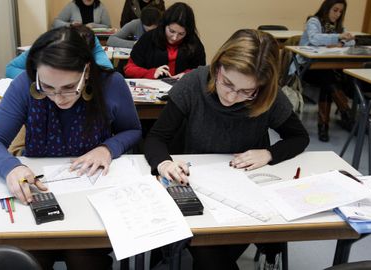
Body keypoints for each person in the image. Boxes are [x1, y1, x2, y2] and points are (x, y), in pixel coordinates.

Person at [0, 26, 141, 269]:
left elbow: (133, 130)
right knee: (29, 259)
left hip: (92, 192)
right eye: (48, 88)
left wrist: (107, 148)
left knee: (84, 257)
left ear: (87, 69)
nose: (58, 98)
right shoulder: (24, 84)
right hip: (39, 191)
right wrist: (11, 168)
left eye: (68, 88)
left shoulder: (111, 83)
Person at [144, 29, 310, 270]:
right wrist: (165, 163)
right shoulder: (194, 83)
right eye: (227, 83)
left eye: (246, 92)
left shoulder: (267, 96)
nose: (232, 97)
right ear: (218, 66)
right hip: (198, 188)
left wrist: (269, 153)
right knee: (209, 251)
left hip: (247, 192)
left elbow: (299, 137)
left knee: (213, 252)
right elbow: (156, 138)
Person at [292, 0, 355, 142]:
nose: (338, 14)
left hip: (327, 70)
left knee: (328, 80)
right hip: (307, 68)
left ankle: (324, 127)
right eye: (335, 10)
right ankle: (346, 114)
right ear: (327, 9)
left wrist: (342, 41)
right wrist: (338, 38)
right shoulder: (314, 21)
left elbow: (351, 41)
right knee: (328, 78)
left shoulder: (338, 26)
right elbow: (314, 39)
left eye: (341, 12)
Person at [124, 2, 206, 80]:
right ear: (164, 25)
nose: (174, 37)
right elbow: (129, 69)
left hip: (181, 90)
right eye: (171, 31)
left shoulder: (194, 43)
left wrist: (188, 75)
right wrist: (151, 73)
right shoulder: (149, 38)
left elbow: (202, 72)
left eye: (181, 34)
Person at [6, 25, 113, 79]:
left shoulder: (92, 41)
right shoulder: (50, 43)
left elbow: (107, 71)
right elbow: (10, 69)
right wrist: (41, 78)